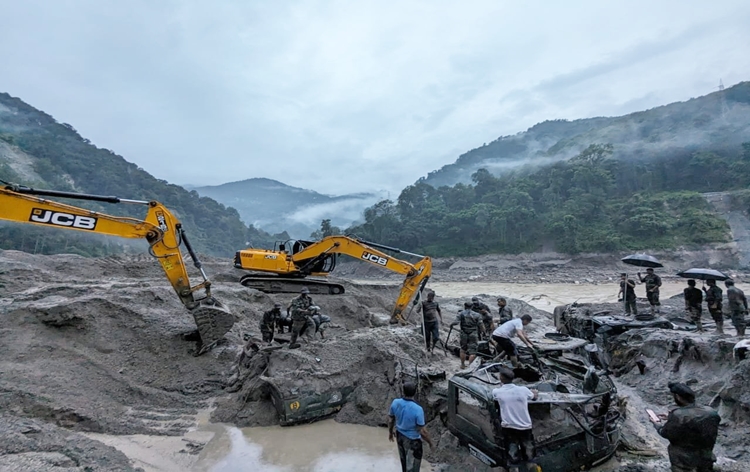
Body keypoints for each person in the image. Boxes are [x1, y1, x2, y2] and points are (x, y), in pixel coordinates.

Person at [649, 382, 720, 472]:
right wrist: (671, 417)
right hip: (706, 457)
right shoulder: (711, 412)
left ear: (678, 397)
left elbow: (665, 433)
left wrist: (656, 423)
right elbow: (695, 419)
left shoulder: (678, 415)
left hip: (684, 461)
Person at [492, 367, 538, 472]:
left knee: (512, 451)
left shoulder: (497, 392)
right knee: (529, 451)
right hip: (525, 426)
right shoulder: (523, 390)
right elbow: (534, 396)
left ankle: (514, 468)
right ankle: (531, 466)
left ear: (501, 378)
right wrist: (535, 392)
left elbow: (492, 397)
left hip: (509, 427)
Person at [388, 381, 433, 472]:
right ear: (415, 392)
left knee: (404, 463)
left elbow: (390, 420)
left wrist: (390, 432)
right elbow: (422, 431)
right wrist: (430, 442)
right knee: (413, 467)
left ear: (403, 391)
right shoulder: (418, 409)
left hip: (399, 436)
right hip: (413, 441)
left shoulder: (395, 403)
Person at [450, 302, 484, 369]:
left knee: (463, 349)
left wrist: (451, 324)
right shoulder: (477, 315)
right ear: (472, 307)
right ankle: (470, 366)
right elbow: (481, 325)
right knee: (473, 351)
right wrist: (483, 332)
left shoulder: (461, 314)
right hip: (473, 333)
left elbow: (456, 322)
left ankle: (462, 364)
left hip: (464, 333)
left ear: (464, 306)